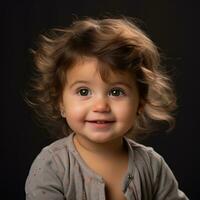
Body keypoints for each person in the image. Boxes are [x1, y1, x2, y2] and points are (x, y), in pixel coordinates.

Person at [25, 17, 189, 200]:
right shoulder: (52, 165)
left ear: (140, 103)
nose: (101, 106)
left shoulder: (152, 166)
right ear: (60, 103)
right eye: (84, 91)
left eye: (116, 92)